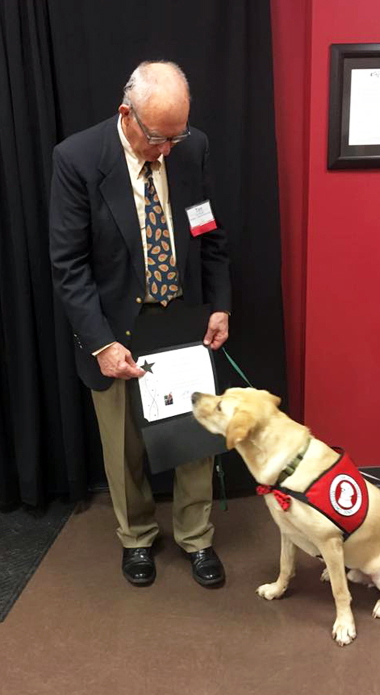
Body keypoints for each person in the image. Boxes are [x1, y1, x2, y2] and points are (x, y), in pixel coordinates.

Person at [49, 61, 231, 588]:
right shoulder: (78, 159)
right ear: (126, 114)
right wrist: (100, 342)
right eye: (158, 138)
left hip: (183, 316)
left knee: (197, 436)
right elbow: (69, 264)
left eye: (178, 136)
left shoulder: (190, 148)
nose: (169, 150)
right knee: (124, 444)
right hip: (116, 327)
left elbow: (210, 231)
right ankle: (137, 539)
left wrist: (219, 303)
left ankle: (196, 537)